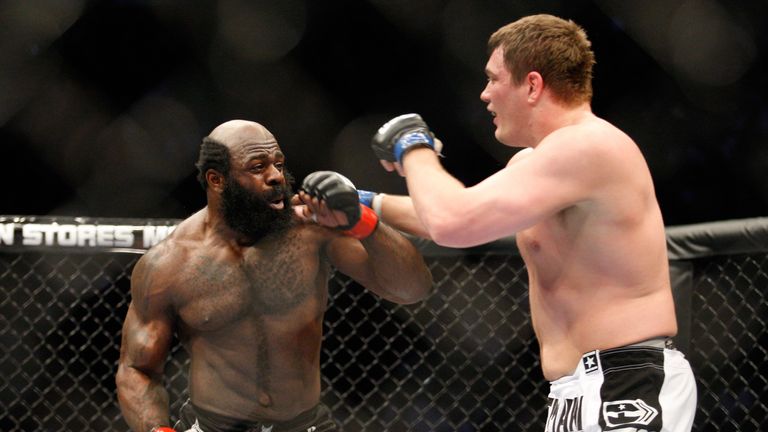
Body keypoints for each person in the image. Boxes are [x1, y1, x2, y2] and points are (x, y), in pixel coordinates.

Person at [364, 14, 696, 432]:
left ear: (533, 85)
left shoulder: (588, 145)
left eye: (493, 79)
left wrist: (414, 147)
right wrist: (365, 204)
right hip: (573, 391)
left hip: (628, 382)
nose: (484, 95)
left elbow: (453, 221)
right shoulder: (540, 162)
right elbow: (447, 216)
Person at [115, 120, 433, 432]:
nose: (276, 177)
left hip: (304, 424)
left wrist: (361, 219)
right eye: (258, 167)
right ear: (217, 180)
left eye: (278, 163)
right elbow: (136, 369)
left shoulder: (312, 230)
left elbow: (412, 289)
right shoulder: (169, 262)